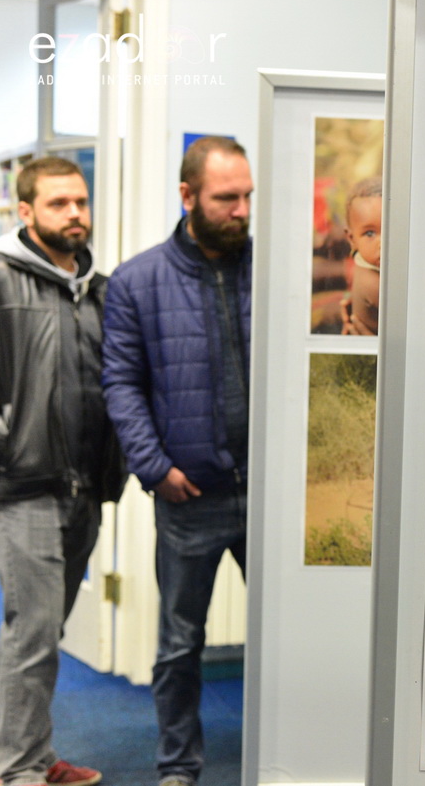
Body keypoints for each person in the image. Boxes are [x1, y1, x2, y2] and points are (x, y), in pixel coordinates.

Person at [102, 136, 253, 786]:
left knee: (292, 630)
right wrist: (154, 467)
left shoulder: (278, 272)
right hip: (189, 494)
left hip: (271, 492)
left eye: (248, 195)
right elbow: (120, 383)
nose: (242, 209)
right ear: (188, 196)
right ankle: (177, 765)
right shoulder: (136, 282)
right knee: (179, 643)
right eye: (227, 198)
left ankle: (292, 746)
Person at [0, 157, 124, 786]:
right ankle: (17, 769)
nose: (75, 213)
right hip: (23, 487)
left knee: (48, 629)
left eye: (80, 201)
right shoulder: (1, 278)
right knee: (36, 632)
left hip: (87, 487)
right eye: (58, 204)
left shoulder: (102, 288)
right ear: (26, 212)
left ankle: (37, 755)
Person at [339, 176, 382, 335]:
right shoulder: (374, 284)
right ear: (352, 239)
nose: (383, 242)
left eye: (392, 229)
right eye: (370, 233)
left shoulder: (365, 262)